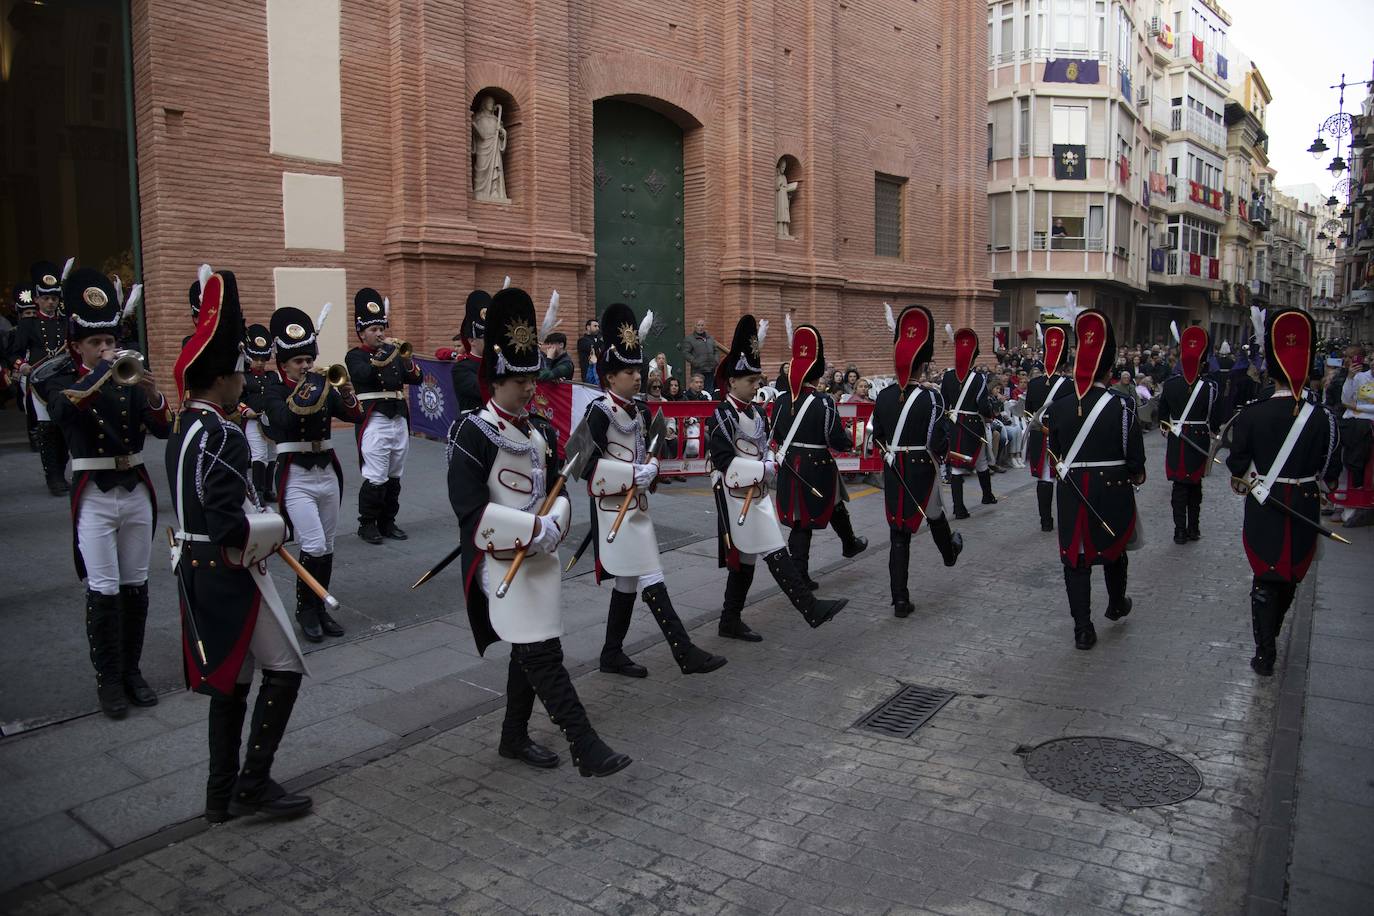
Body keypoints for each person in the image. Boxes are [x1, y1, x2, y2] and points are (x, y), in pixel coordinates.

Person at [447, 287, 631, 777]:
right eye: (519, 381)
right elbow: (471, 514)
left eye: (532, 378)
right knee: (541, 652)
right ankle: (585, 745)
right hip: (497, 563)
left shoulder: (540, 434)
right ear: (495, 379)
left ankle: (512, 736)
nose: (530, 389)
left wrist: (557, 524)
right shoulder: (471, 433)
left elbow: (561, 490)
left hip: (537, 559)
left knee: (530, 646)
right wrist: (534, 528)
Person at [167, 267, 312, 822]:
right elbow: (229, 523)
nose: (243, 382)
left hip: (197, 570)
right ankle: (250, 783)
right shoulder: (223, 433)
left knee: (231, 681)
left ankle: (218, 794)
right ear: (222, 379)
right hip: (229, 569)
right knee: (284, 667)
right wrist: (276, 529)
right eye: (236, 375)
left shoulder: (186, 427)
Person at [33, 267, 171, 718]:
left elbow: (162, 429)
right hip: (93, 492)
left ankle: (132, 671)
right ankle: (108, 680)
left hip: (135, 489)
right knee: (104, 588)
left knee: (136, 585)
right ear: (78, 345)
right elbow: (59, 411)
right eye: (97, 343)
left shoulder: (128, 377)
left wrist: (152, 393)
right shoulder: (60, 377)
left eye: (110, 342)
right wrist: (101, 373)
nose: (107, 350)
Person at [586, 303, 727, 679]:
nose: (637, 377)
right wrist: (633, 474)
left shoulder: (642, 410)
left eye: (638, 370)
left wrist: (653, 464)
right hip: (612, 511)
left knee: (630, 581)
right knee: (650, 575)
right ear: (610, 377)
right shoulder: (597, 412)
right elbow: (582, 466)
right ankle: (684, 652)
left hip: (638, 507)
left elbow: (655, 449)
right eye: (629, 372)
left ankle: (611, 653)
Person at [708, 315, 847, 641]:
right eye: (751, 380)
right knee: (772, 550)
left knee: (746, 560)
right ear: (731, 382)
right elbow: (725, 463)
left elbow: (762, 446)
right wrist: (764, 468)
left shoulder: (755, 412)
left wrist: (771, 457)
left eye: (758, 379)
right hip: (734, 496)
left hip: (755, 495)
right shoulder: (721, 415)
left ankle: (729, 620)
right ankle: (810, 609)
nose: (758, 385)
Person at [1226, 309, 1341, 676]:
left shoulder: (1252, 414)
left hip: (1264, 503)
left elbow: (1237, 462)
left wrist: (1242, 474)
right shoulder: (1324, 418)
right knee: (1290, 574)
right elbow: (1329, 473)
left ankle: (1264, 651)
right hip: (1304, 504)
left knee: (1265, 573)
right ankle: (1271, 637)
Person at [1047, 309, 1145, 650]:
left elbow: (1054, 451)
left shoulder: (1058, 406)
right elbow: (1135, 458)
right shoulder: (1123, 405)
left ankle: (1083, 629)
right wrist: (1136, 474)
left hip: (1073, 490)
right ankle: (1116, 603)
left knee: (1077, 559)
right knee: (1114, 548)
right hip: (1113, 488)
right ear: (1110, 366)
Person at [264, 304, 362, 642]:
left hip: (327, 471)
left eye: (308, 360)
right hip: (296, 475)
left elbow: (354, 417)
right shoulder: (273, 390)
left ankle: (319, 606)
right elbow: (285, 420)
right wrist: (312, 386)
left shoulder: (323, 387)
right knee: (314, 543)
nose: (306, 367)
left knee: (329, 543)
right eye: (298, 362)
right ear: (284, 364)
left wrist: (346, 394)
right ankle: (305, 609)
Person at [868, 306, 963, 619]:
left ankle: (899, 600)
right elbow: (938, 441)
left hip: (895, 469)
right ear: (924, 364)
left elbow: (877, 436)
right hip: (923, 466)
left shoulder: (882, 396)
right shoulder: (933, 397)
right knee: (933, 512)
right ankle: (949, 552)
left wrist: (890, 451)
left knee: (899, 534)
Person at [772, 322, 868, 590]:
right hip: (817, 464)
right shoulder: (824, 401)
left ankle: (848, 543)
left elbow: (776, 434)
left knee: (813, 512)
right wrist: (850, 442)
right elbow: (834, 437)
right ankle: (802, 573)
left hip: (791, 462)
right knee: (807, 518)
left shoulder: (781, 400)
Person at [346, 288, 423, 545]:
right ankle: (366, 523)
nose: (380, 333)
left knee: (394, 473)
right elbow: (363, 375)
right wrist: (383, 353)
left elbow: (416, 378)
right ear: (361, 332)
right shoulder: (355, 355)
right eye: (373, 330)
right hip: (375, 418)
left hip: (399, 416)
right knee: (376, 474)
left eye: (381, 328)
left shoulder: (394, 353)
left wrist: (407, 358)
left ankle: (388, 521)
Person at [10, 260, 71, 493]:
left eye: (54, 298)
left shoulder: (66, 323)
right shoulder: (28, 324)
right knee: (46, 430)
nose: (50, 302)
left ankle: (62, 471)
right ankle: (53, 477)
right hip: (40, 383)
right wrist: (22, 364)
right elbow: (13, 353)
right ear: (37, 299)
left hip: (64, 380)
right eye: (46, 298)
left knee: (65, 428)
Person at [1158, 327, 1220, 544]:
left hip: (1178, 437)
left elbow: (1162, 415)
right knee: (1195, 485)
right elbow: (1214, 416)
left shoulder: (1171, 385)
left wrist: (1168, 429)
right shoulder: (1210, 387)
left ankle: (1179, 530)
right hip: (1199, 436)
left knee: (1179, 486)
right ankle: (1193, 528)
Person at [940, 327, 997, 518]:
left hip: (955, 425)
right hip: (973, 424)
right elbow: (982, 406)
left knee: (956, 464)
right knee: (980, 459)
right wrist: (990, 414)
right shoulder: (979, 379)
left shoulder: (947, 376)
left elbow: (943, 403)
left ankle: (959, 508)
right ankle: (987, 495)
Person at [1024, 324, 1073, 531]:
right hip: (1062, 438)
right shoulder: (1070, 385)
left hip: (1039, 437)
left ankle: (1046, 521)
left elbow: (1027, 413)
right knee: (1063, 479)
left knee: (1044, 480)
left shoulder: (1034, 384)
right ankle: (1063, 520)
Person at [239, 325, 277, 502]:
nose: (260, 362)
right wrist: (245, 410)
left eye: (263, 358)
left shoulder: (272, 377)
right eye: (255, 358)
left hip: (270, 420)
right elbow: (235, 400)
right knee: (259, 455)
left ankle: (268, 489)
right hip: (253, 421)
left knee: (272, 455)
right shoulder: (243, 377)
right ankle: (258, 491)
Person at [451, 290, 489, 414]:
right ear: (472, 341)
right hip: (474, 423)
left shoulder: (499, 364)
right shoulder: (461, 368)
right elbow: (482, 390)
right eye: (486, 338)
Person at [681, 318, 719, 394]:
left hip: (710, 369)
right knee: (697, 390)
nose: (700, 327)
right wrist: (696, 362)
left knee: (710, 391)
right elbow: (686, 353)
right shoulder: (690, 339)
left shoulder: (710, 338)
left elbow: (716, 350)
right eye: (698, 325)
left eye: (702, 325)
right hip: (698, 370)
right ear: (695, 327)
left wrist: (716, 361)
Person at [577, 318, 602, 382]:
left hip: (600, 374)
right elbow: (591, 348)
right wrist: (601, 340)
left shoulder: (599, 341)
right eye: (595, 326)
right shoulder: (582, 341)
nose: (597, 328)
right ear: (588, 327)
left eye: (598, 326)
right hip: (589, 375)